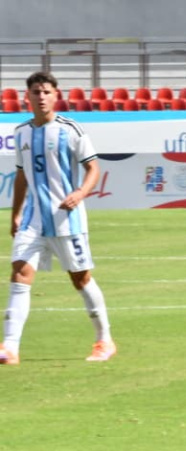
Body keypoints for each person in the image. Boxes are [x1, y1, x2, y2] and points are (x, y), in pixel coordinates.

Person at [0, 71, 116, 366]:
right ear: (27, 96)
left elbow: (93, 169)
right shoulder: (21, 132)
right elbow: (22, 176)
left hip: (67, 220)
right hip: (32, 220)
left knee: (81, 278)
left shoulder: (70, 129)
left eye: (46, 92)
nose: (41, 97)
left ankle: (104, 340)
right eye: (36, 92)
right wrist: (15, 215)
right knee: (19, 275)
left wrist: (80, 193)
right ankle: (10, 348)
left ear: (56, 95)